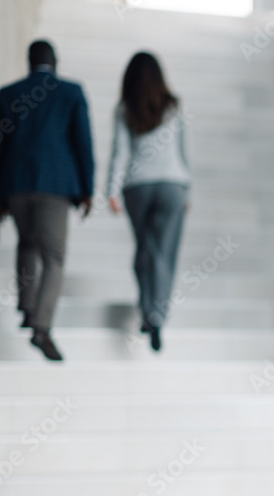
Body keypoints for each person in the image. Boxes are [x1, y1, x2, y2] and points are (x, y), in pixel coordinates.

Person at [0, 39, 95, 361]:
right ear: (55, 62)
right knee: (53, 257)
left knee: (27, 244)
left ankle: (27, 308)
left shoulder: (8, 93)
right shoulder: (71, 92)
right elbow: (83, 143)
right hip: (55, 186)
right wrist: (87, 189)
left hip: (17, 184)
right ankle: (42, 328)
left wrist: (0, 194)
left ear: (29, 61)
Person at [106, 52, 191, 352]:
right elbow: (182, 152)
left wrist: (111, 190)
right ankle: (157, 316)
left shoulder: (125, 108)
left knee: (146, 249)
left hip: (137, 187)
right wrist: (187, 190)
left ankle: (147, 311)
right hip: (172, 186)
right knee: (164, 254)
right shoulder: (173, 106)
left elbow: (119, 151)